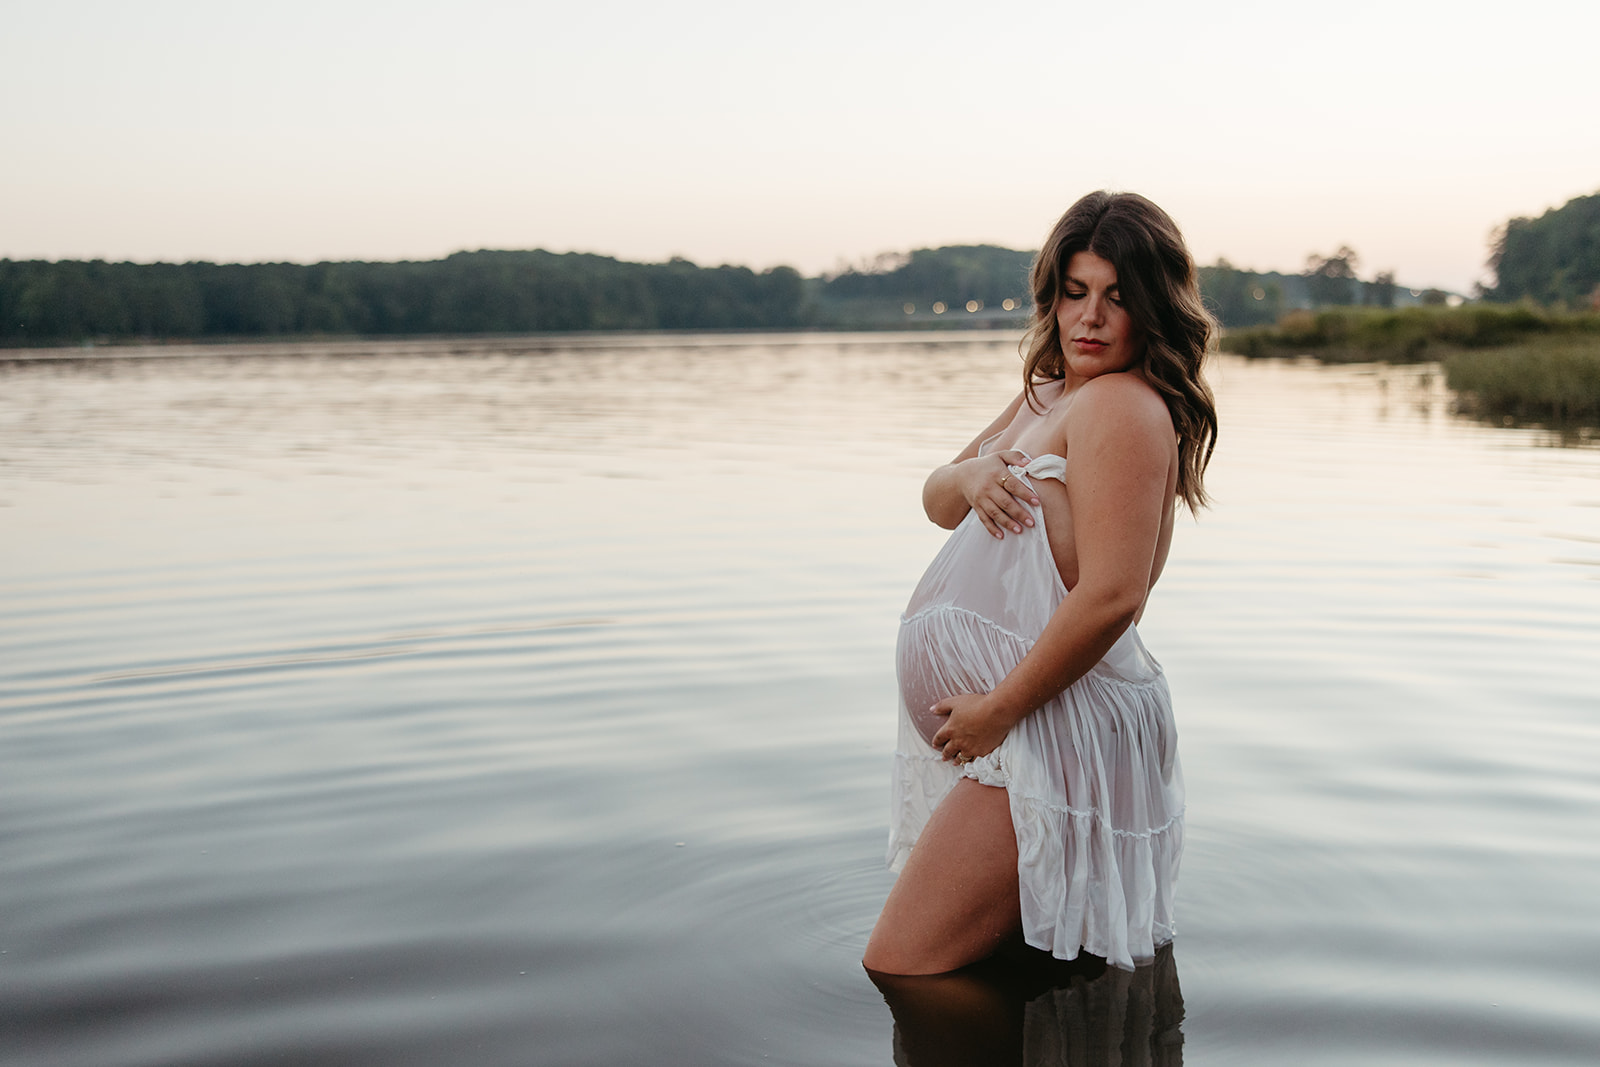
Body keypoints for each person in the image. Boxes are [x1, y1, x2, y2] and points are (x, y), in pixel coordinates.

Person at [863, 191, 1217, 977]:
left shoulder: (1123, 406)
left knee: (904, 966)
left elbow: (1115, 595)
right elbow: (934, 499)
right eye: (1075, 292)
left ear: (1152, 310)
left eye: (1117, 298)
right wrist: (974, 469)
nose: (1089, 318)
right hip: (1019, 734)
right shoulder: (1052, 393)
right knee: (1001, 974)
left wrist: (998, 709)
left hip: (1046, 729)